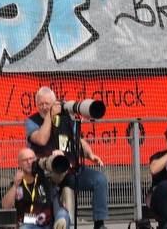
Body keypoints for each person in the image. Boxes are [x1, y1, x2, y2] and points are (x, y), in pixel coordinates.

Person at [25, 87, 109, 229]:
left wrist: (90, 155)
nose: (44, 107)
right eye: (41, 104)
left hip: (70, 169)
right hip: (46, 172)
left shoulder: (67, 119)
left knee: (99, 180)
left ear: (55, 103)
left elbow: (79, 140)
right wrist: (49, 118)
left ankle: (99, 224)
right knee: (52, 202)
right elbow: (41, 140)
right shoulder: (31, 121)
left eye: (47, 104)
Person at [1, 147, 71, 229]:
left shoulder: (46, 176)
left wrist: (58, 159)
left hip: (51, 222)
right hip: (30, 225)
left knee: (63, 215)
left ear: (36, 158)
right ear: (19, 163)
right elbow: (5, 205)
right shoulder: (17, 182)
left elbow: (59, 178)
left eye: (31, 159)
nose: (29, 162)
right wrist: (15, 186)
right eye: (25, 160)